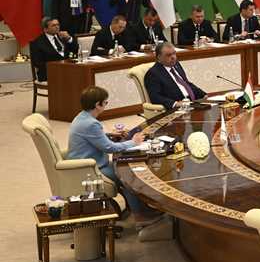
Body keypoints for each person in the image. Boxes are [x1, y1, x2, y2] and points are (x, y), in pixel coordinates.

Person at [67, 86, 158, 223]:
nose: (106, 105)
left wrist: (109, 135)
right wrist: (133, 142)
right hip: (90, 169)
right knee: (130, 176)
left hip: (83, 163)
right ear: (97, 105)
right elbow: (110, 148)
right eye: (105, 102)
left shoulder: (81, 117)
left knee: (126, 171)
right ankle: (140, 215)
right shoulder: (91, 124)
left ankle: (138, 209)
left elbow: (94, 138)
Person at [144, 42, 207, 110]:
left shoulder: (176, 65)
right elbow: (155, 97)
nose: (173, 57)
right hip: (177, 107)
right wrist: (175, 103)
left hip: (192, 103)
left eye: (174, 53)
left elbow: (186, 83)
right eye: (168, 55)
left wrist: (203, 94)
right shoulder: (153, 73)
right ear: (159, 57)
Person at [30, 17, 80, 81]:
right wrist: (57, 67)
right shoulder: (38, 43)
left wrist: (69, 38)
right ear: (45, 29)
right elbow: (37, 63)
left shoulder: (63, 37)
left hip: (68, 70)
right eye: (53, 25)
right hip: (49, 74)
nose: (57, 27)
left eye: (58, 24)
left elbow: (76, 50)